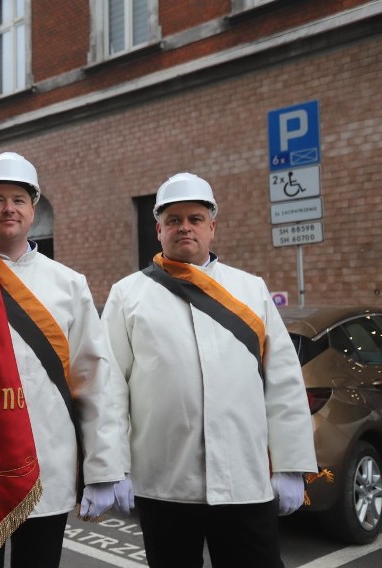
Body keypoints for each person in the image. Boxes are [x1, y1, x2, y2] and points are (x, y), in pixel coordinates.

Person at [97, 172, 317, 568]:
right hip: (163, 482)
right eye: (174, 220)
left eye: (195, 219)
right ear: (158, 229)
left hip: (245, 481)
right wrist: (112, 468)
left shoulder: (251, 290)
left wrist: (292, 464)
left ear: (212, 227)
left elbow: (283, 383)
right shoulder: (127, 294)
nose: (185, 227)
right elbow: (109, 388)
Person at [0, 152, 128, 568]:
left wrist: (102, 470)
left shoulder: (69, 284)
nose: (9, 208)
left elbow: (94, 380)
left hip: (47, 465)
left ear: (33, 208)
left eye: (19, 200)